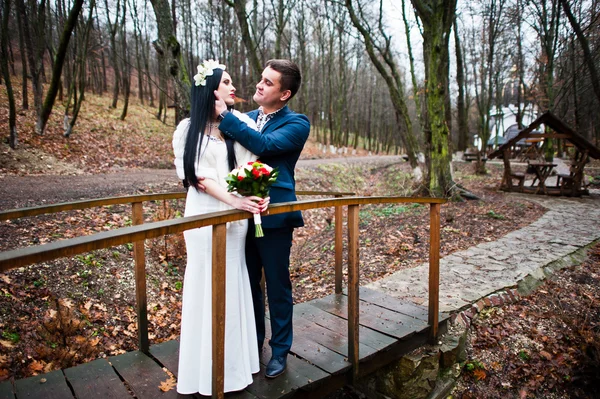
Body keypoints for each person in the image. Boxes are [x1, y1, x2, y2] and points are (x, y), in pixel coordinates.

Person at [172, 59, 268, 395]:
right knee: (206, 283)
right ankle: (203, 369)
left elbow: (254, 160)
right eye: (226, 82)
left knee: (234, 281)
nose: (233, 87)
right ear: (211, 89)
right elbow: (197, 177)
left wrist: (254, 193)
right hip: (203, 215)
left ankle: (235, 367)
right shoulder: (188, 129)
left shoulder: (238, 121)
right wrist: (234, 201)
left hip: (237, 218)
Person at [214, 59, 310, 378]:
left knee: (278, 285)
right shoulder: (247, 117)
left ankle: (280, 349)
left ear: (284, 94)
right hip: (241, 213)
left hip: (275, 215)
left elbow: (265, 145)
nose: (259, 85)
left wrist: (225, 117)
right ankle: (252, 345)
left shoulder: (297, 123)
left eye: (268, 83)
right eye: (261, 79)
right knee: (249, 285)